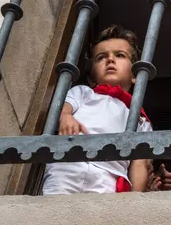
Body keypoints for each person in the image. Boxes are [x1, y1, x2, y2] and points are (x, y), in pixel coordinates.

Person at [41, 26, 151, 195]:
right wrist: (65, 117)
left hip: (108, 175)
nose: (110, 60)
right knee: (55, 206)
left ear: (135, 75)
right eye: (101, 57)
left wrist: (135, 197)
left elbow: (139, 163)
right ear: (92, 77)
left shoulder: (139, 119)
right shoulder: (84, 93)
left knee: (98, 218)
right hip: (68, 163)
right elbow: (62, 109)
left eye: (120, 55)